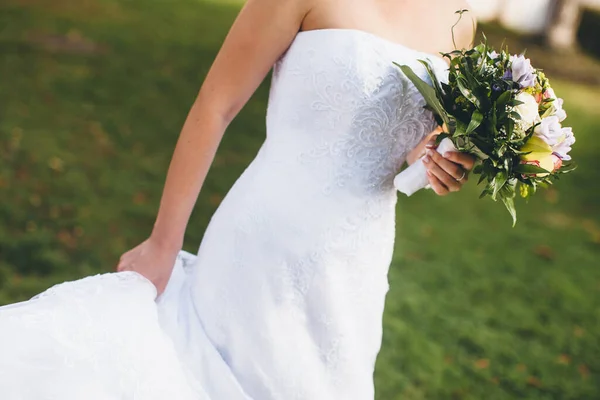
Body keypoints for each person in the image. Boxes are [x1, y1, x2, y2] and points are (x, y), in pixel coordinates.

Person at [0, 0, 476, 398]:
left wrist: (437, 162)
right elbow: (215, 105)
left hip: (357, 270)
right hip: (261, 245)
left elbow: (407, 142)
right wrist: (163, 243)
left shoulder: (459, 20)